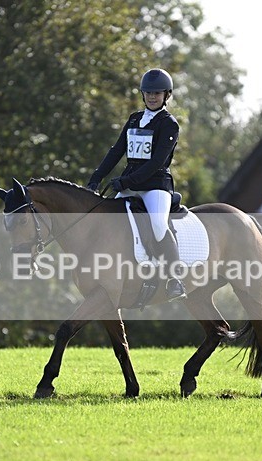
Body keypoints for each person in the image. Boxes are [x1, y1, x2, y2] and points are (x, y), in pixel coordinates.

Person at [87, 68, 186, 301]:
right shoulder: (134, 119)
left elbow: (156, 162)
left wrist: (126, 181)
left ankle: (174, 278)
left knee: (158, 225)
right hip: (129, 183)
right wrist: (96, 177)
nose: (152, 97)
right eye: (148, 92)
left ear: (166, 95)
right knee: (107, 219)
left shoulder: (169, 124)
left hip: (156, 186)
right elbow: (116, 151)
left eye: (157, 93)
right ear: (143, 94)